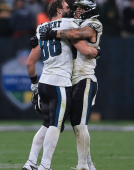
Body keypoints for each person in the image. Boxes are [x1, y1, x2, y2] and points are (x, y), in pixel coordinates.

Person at [23, 0, 100, 169]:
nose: (73, 10)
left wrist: (34, 85)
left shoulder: (41, 27)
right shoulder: (70, 23)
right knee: (55, 125)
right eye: (69, 8)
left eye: (79, 8)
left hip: (45, 80)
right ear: (59, 10)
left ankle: (31, 162)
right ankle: (45, 165)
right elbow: (84, 47)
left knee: (48, 124)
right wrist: (97, 51)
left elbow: (30, 62)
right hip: (61, 82)